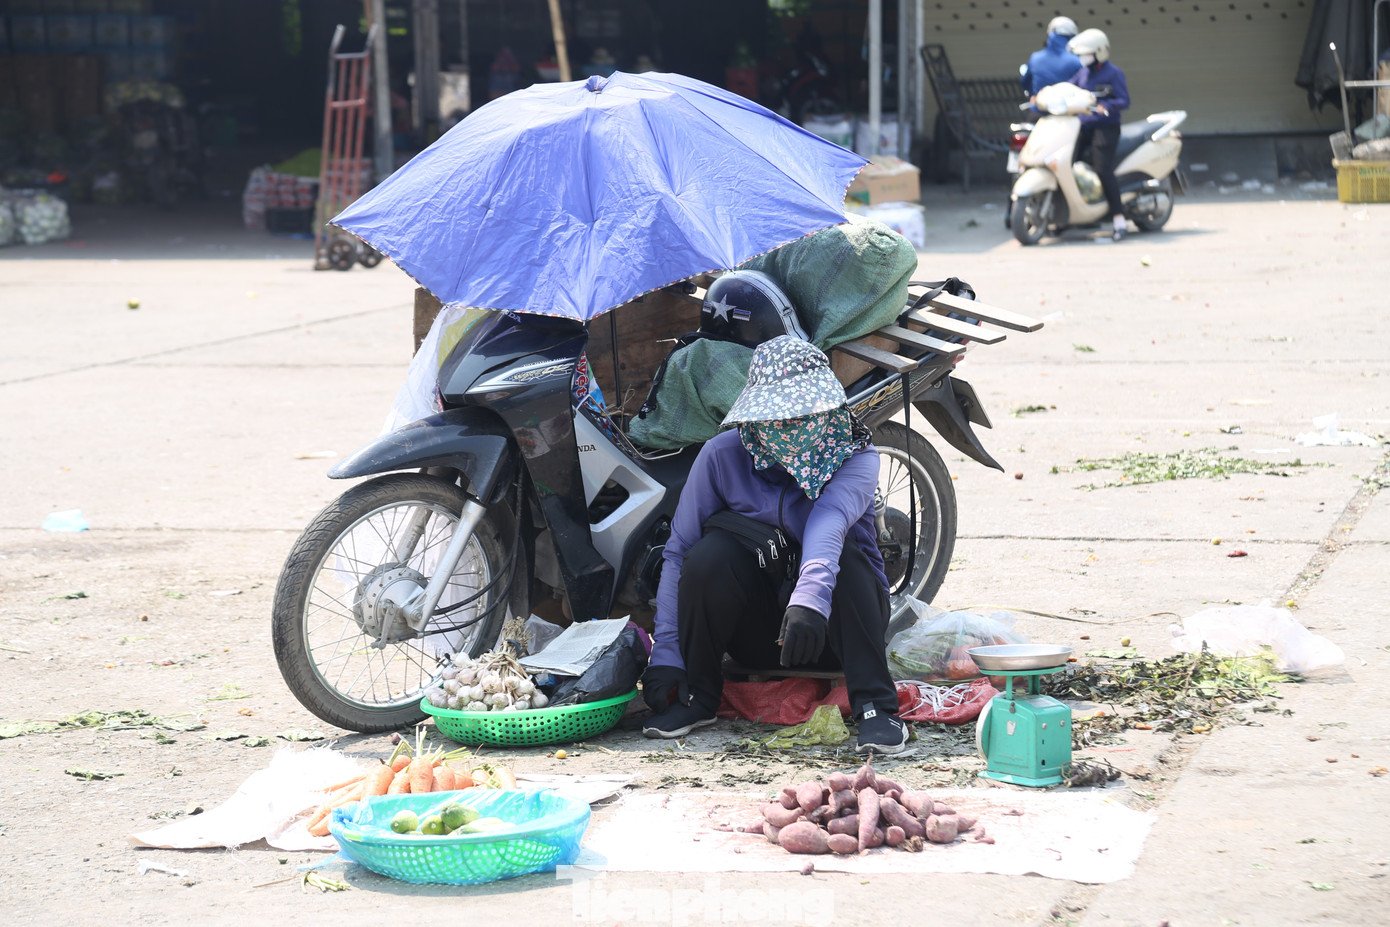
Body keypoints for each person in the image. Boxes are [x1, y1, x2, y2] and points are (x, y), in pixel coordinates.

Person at [639, 334, 910, 755]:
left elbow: (828, 524)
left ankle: (876, 705)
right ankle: (699, 697)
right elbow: (678, 551)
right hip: (762, 631)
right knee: (709, 556)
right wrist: (667, 656)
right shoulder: (722, 455)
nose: (794, 427)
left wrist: (809, 602)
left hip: (834, 629)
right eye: (780, 417)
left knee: (846, 559)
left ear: (827, 410)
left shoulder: (857, 456)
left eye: (806, 415)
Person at [1067, 28, 1130, 241]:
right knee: (1067, 163)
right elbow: (1068, 89)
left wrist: (1107, 105)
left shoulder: (1114, 73)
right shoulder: (1083, 73)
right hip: (1083, 127)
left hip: (1106, 128)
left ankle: (1119, 220)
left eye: (1087, 53)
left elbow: (1124, 100)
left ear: (1099, 52)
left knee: (1103, 169)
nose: (1083, 57)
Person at [1020, 16, 1081, 98]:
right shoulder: (1076, 60)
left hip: (1040, 104)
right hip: (1071, 104)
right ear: (1072, 36)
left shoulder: (1035, 58)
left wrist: (1034, 95)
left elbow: (1025, 82)